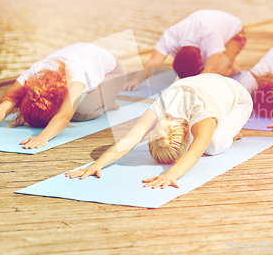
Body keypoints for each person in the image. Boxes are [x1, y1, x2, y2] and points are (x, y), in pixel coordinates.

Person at [66, 73, 253, 189]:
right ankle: (227, 127)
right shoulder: (162, 106)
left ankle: (234, 132)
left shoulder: (203, 116)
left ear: (187, 135)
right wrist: (97, 165)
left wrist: (170, 174)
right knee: (206, 140)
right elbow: (130, 139)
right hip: (208, 85)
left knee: (211, 146)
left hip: (239, 100)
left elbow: (195, 152)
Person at [0, 43, 126, 149]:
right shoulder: (31, 75)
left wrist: (43, 137)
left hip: (113, 75)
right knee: (73, 105)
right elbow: (3, 108)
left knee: (79, 112)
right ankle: (101, 99)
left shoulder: (75, 75)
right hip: (87, 68)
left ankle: (109, 104)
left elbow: (63, 116)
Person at [123, 10, 245, 90]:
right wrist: (136, 80)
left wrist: (193, 88)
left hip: (235, 35)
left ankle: (232, 66)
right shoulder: (171, 36)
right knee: (207, 70)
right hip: (213, 34)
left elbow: (210, 69)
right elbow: (154, 62)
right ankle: (219, 55)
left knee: (215, 74)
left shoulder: (210, 35)